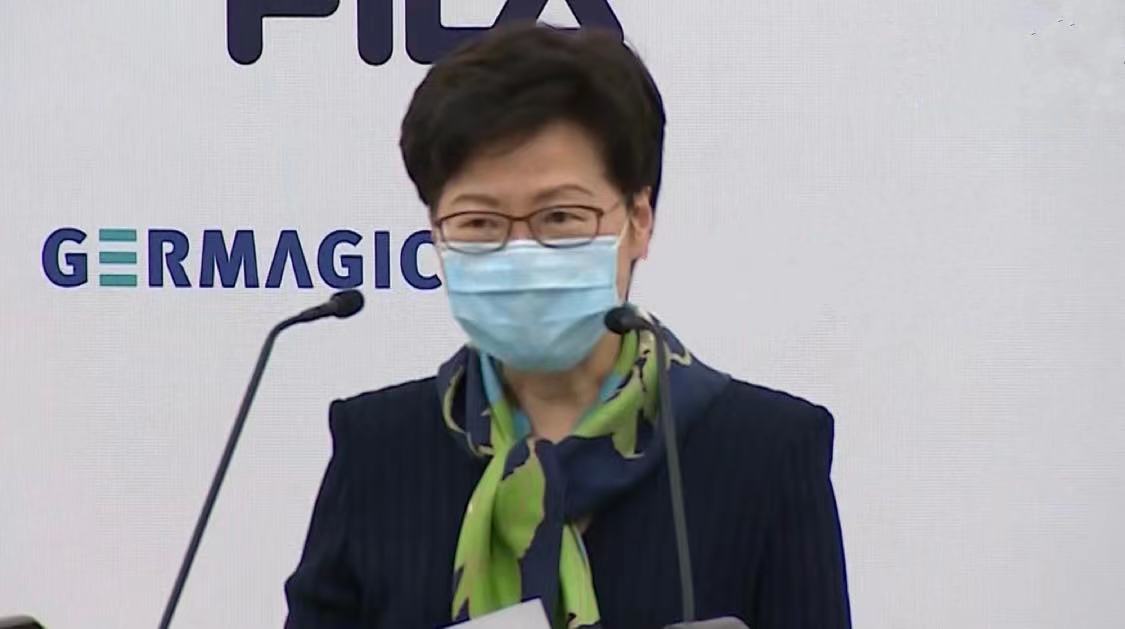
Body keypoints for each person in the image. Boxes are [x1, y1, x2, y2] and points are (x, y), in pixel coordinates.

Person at [284, 23, 851, 629]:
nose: (520, 253)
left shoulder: (767, 454)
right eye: (479, 223)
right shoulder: (378, 451)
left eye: (559, 217)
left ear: (638, 220)